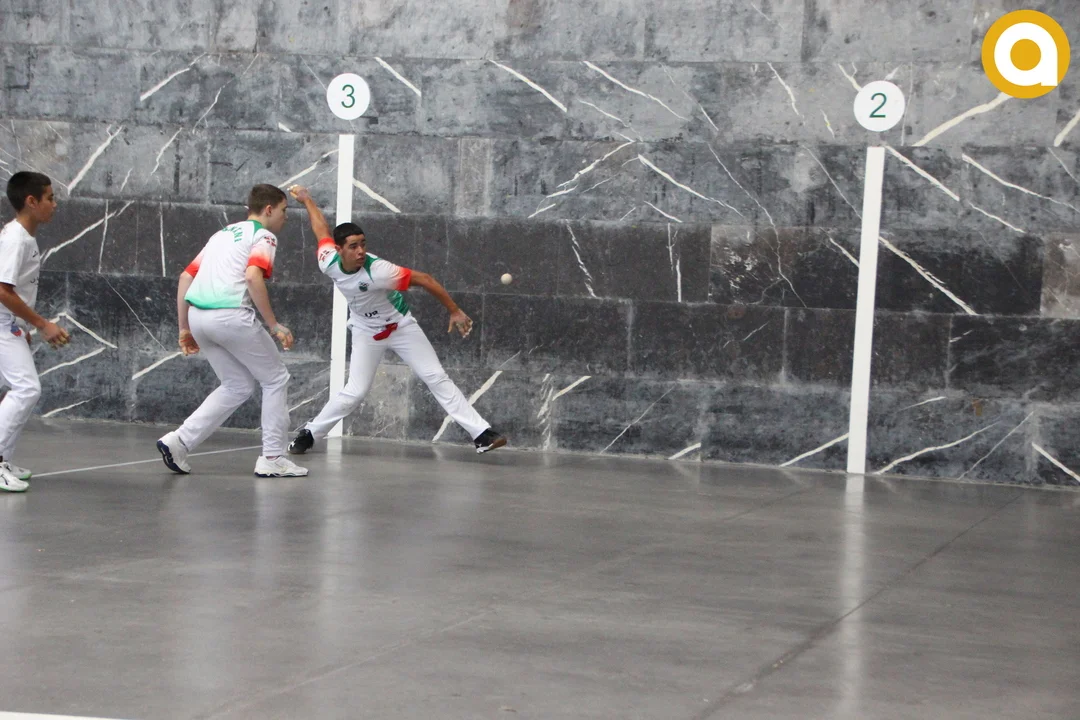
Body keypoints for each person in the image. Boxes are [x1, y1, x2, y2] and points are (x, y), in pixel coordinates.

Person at [286, 185, 506, 456]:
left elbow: (425, 279)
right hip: (366, 330)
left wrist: (454, 310)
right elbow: (321, 229)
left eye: (363, 244)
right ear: (339, 249)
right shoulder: (327, 261)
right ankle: (309, 434)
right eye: (353, 246)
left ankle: (482, 434)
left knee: (436, 376)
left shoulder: (379, 270)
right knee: (355, 392)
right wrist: (307, 200)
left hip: (401, 326)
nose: (360, 251)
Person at [156, 184, 307, 478]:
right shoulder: (264, 236)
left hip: (199, 318)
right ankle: (273, 457)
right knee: (276, 378)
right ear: (269, 210)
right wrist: (274, 325)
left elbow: (186, 277)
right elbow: (252, 277)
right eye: (284, 210)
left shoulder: (221, 234)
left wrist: (184, 328)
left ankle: (179, 441)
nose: (286, 217)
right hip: (230, 317)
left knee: (236, 385)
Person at [0, 172, 70, 492]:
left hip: (8, 325)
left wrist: (23, 326)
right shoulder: (16, 239)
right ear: (31, 201)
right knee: (27, 389)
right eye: (50, 198)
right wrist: (42, 324)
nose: (54, 204)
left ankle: (3, 459)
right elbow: (2, 290)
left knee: (22, 389)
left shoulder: (23, 237)